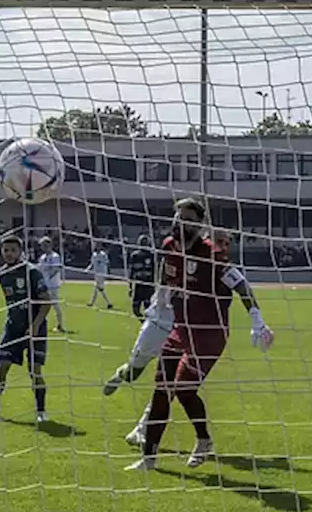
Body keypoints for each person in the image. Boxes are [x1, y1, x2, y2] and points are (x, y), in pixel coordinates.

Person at [124, 201, 271, 471]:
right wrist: (161, 297)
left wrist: (257, 320)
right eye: (179, 218)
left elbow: (241, 285)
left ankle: (203, 440)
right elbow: (167, 270)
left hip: (209, 335)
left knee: (183, 389)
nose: (182, 223)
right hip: (180, 330)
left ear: (200, 225)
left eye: (189, 219)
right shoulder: (169, 245)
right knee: (161, 389)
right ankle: (148, 459)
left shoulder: (212, 254)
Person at [0, 233, 52, 423]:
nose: (9, 254)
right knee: (2, 367)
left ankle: (41, 412)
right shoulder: (1, 274)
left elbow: (47, 302)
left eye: (13, 250)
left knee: (35, 371)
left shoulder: (32, 272)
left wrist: (34, 325)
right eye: (6, 250)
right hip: (13, 327)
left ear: (21, 252)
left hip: (35, 327)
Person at [35, 237, 67, 332]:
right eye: (41, 245)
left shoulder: (55, 256)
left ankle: (60, 325)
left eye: (44, 245)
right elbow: (39, 269)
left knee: (55, 304)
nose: (42, 247)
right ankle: (40, 324)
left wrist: (48, 277)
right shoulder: (42, 257)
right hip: (44, 285)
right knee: (42, 305)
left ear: (49, 245)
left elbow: (56, 269)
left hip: (53, 285)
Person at [126, 234, 155, 318]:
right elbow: (132, 271)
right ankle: (145, 323)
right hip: (139, 285)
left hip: (148, 285)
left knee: (148, 309)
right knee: (136, 310)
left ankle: (147, 325)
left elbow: (154, 271)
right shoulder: (135, 256)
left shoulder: (151, 255)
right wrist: (130, 286)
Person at [88, 244, 114, 308]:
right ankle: (108, 303)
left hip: (102, 273)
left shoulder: (103, 255)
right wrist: (87, 269)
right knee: (98, 289)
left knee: (98, 288)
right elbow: (92, 263)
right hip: (96, 274)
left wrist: (108, 273)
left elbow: (107, 263)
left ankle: (92, 303)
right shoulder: (94, 255)